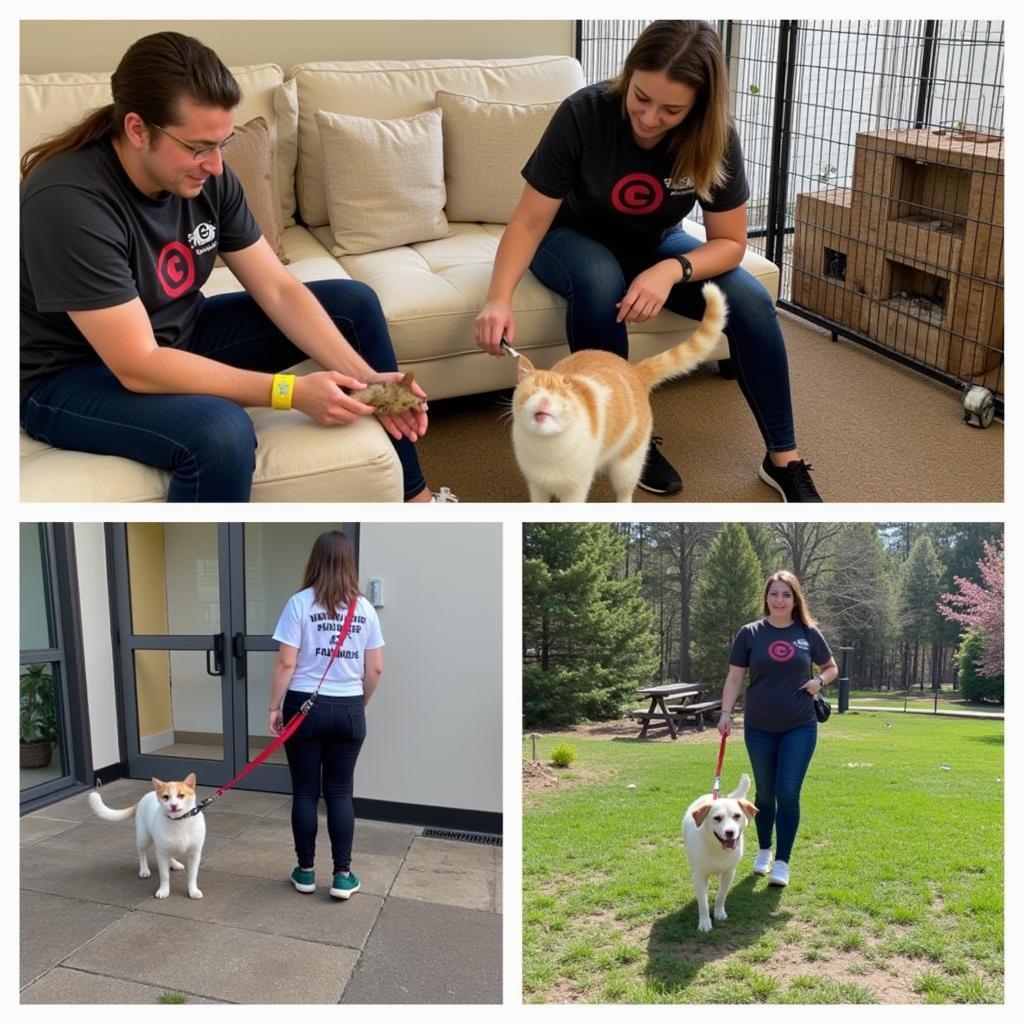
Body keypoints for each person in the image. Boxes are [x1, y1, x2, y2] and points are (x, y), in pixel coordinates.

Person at [20, 31, 455, 503]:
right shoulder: (68, 200)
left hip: (177, 336)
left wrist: (367, 381)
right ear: (137, 129)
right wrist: (290, 392)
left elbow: (278, 290)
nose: (216, 165)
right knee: (221, 433)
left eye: (223, 143)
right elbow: (137, 364)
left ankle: (418, 501)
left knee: (353, 303)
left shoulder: (208, 177)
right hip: (73, 376)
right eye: (198, 147)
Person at [474, 20, 822, 502]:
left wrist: (670, 269)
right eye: (641, 97)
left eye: (671, 109)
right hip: (568, 236)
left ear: (699, 106)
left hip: (657, 244)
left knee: (747, 297)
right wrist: (498, 298)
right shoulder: (583, 114)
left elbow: (729, 242)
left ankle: (783, 458)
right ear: (629, 74)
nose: (650, 117)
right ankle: (626, 437)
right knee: (600, 280)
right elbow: (530, 222)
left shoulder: (715, 137)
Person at [269, 530, 382, 900]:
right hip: (348, 707)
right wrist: (358, 703)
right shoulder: (364, 609)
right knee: (339, 792)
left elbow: (287, 661)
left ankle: (304, 872)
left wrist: (274, 706)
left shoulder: (299, 604)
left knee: (304, 791)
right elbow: (376, 670)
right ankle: (342, 876)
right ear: (350, 564)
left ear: (314, 561)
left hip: (304, 706)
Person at [717, 570, 838, 887]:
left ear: (794, 598)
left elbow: (831, 666)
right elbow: (734, 678)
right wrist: (726, 712)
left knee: (788, 792)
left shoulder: (808, 633)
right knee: (766, 794)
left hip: (799, 725)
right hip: (759, 727)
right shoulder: (750, 633)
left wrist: (819, 681)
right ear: (766, 597)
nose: (780, 600)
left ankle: (782, 861)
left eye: (786, 594)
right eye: (774, 594)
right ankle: (765, 851)